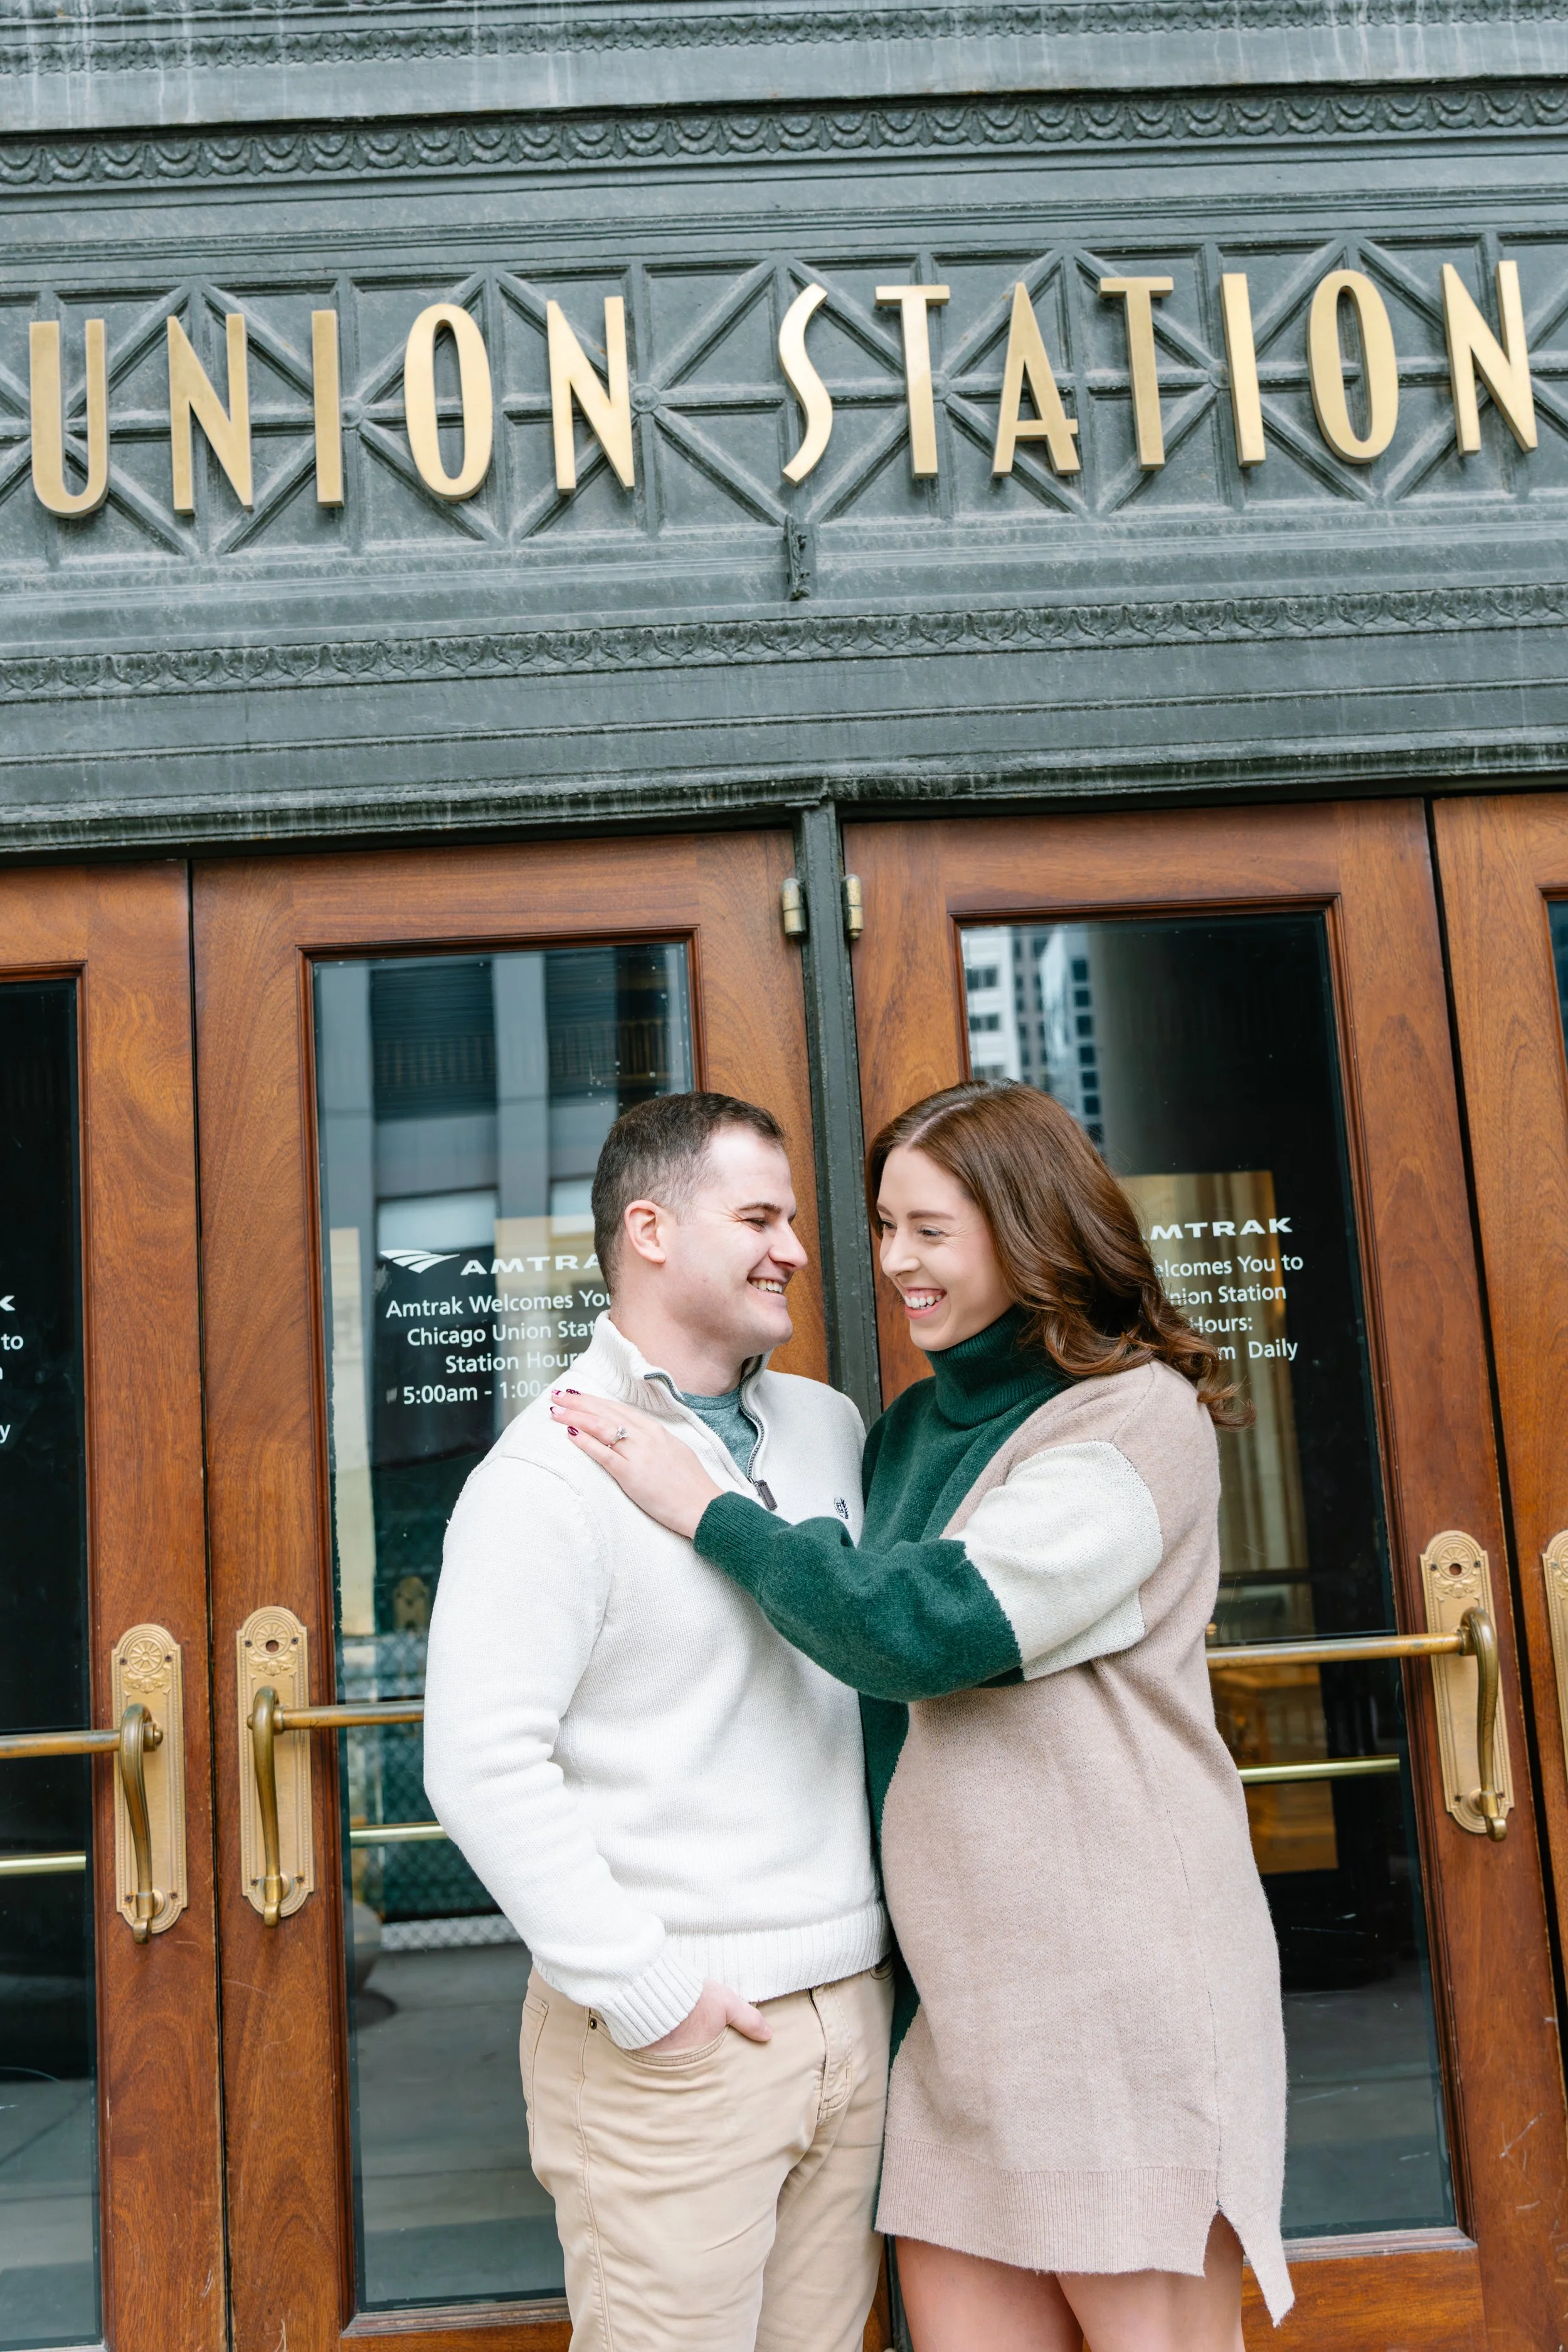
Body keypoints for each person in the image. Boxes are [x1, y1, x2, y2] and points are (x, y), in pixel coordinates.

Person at [552, 1078, 1293, 2351]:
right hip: (951, 2017)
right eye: (883, 1227)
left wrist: (708, 1508)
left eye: (929, 1231)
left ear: (1026, 1225)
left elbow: (929, 1626)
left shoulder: (1134, 1418)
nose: (893, 1262)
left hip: (1116, 1998)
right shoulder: (900, 1437)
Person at [424, 1091, 893, 2352]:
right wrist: (648, 1991)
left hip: (849, 2008)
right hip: (677, 2046)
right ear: (649, 1228)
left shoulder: (826, 1428)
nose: (792, 1245)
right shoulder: (544, 1475)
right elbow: (478, 1764)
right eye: (757, 1216)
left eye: (791, 1218)